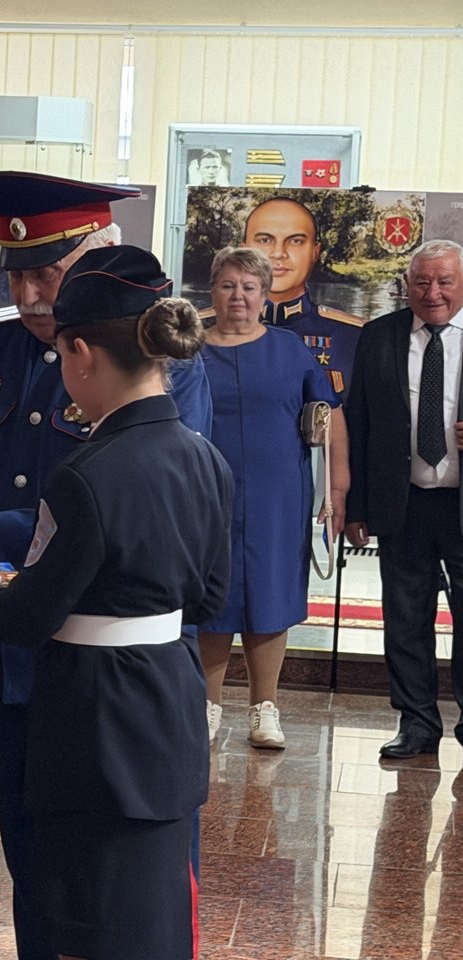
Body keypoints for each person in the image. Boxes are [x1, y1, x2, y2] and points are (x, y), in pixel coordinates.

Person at [0, 170, 211, 960]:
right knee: (37, 871)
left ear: (97, 253)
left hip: (115, 669)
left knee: (132, 890)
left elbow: (153, 513)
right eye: (16, 275)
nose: (31, 295)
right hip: (19, 667)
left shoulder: (159, 359)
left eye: (48, 273)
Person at [198, 246, 349, 750]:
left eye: (249, 287)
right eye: (228, 285)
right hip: (206, 494)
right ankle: (206, 706)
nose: (238, 296)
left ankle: (265, 708)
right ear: (212, 291)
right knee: (211, 597)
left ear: (264, 295)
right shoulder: (189, 352)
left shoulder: (291, 350)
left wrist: (336, 490)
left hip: (277, 497)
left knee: (270, 595)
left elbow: (327, 416)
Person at [345, 238, 463, 760]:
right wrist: (356, 507)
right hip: (403, 502)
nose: (432, 292)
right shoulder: (378, 336)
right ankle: (416, 723)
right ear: (407, 285)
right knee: (405, 618)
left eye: (445, 281)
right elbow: (358, 423)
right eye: (421, 282)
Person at [243, 196, 364, 396]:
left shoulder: (357, 337)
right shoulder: (200, 329)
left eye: (296, 241)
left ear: (315, 252)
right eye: (265, 240)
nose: (279, 253)